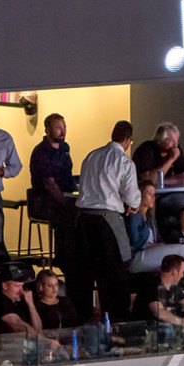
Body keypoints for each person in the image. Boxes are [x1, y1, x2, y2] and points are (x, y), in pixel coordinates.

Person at [75, 121, 141, 321]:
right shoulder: (124, 162)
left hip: (83, 220)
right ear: (128, 141)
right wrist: (133, 203)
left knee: (89, 273)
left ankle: (90, 317)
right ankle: (118, 319)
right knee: (115, 273)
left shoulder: (91, 155)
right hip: (107, 221)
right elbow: (132, 196)